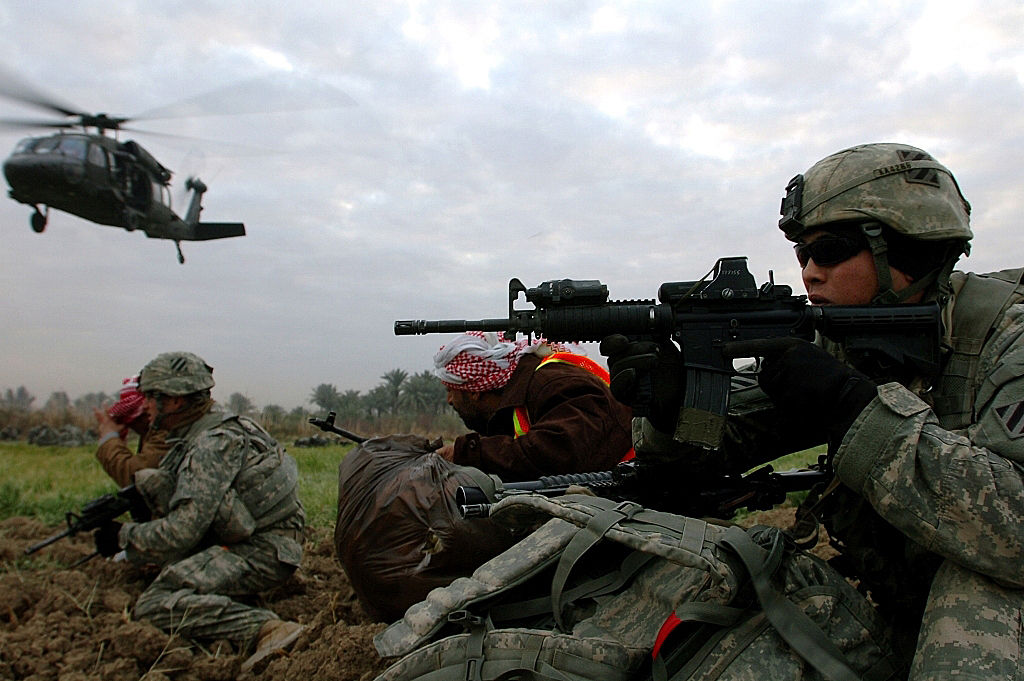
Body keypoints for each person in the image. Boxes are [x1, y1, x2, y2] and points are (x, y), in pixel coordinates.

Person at [604, 143, 1024, 680]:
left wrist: (856, 414)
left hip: (984, 609)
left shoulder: (1007, 338)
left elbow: (1012, 530)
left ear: (906, 248)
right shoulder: (838, 344)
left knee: (978, 594)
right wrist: (673, 409)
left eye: (830, 251)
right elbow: (720, 446)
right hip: (902, 606)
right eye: (803, 256)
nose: (809, 274)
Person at [91, 352, 307, 673]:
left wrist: (123, 537)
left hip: (262, 552)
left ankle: (267, 628)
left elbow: (182, 531)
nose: (146, 405)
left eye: (152, 397)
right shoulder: (218, 423)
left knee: (153, 604)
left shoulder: (210, 445)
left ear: (175, 402)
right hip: (267, 540)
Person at [433, 330, 633, 481]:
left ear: (474, 390)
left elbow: (555, 455)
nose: (449, 400)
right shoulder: (525, 391)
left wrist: (466, 453)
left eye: (451, 390)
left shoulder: (552, 384)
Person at [93, 374, 168, 487]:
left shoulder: (166, 433)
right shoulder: (155, 431)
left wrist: (109, 437)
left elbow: (135, 477)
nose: (146, 406)